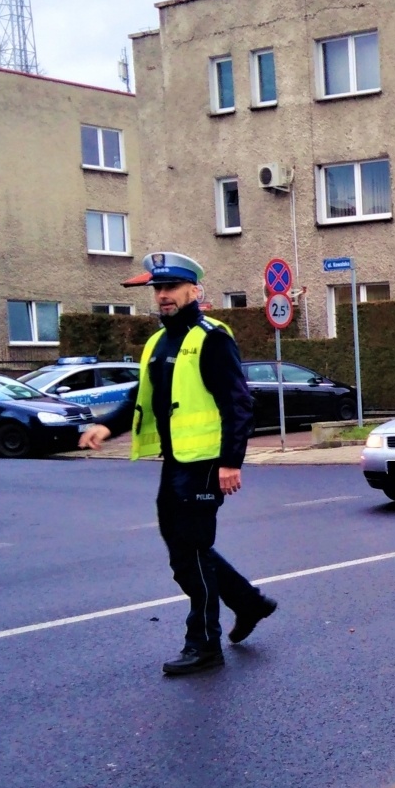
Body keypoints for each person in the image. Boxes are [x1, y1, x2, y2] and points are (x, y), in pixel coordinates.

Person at [80, 251, 277, 676]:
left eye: (170, 287)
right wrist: (106, 427)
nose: (163, 296)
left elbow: (238, 404)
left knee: (190, 556)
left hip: (206, 464)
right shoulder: (158, 341)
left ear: (194, 290)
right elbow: (140, 399)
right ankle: (249, 603)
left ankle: (204, 644)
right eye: (158, 289)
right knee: (187, 552)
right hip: (175, 464)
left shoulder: (211, 338)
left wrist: (230, 462)